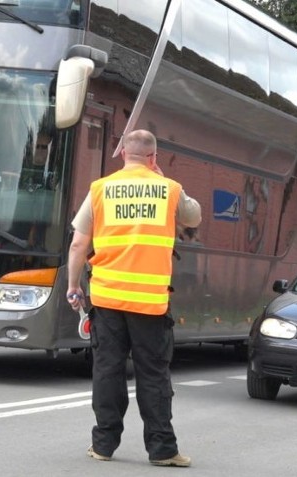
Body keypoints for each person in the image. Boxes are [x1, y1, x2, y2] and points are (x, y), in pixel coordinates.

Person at [66, 129, 201, 467]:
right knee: (153, 375)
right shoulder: (169, 189)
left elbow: (79, 244)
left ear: (123, 153)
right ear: (153, 157)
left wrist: (73, 286)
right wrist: (165, 180)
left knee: (108, 371)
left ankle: (103, 445)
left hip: (107, 299)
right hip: (149, 303)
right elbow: (194, 217)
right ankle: (163, 450)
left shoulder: (100, 189)